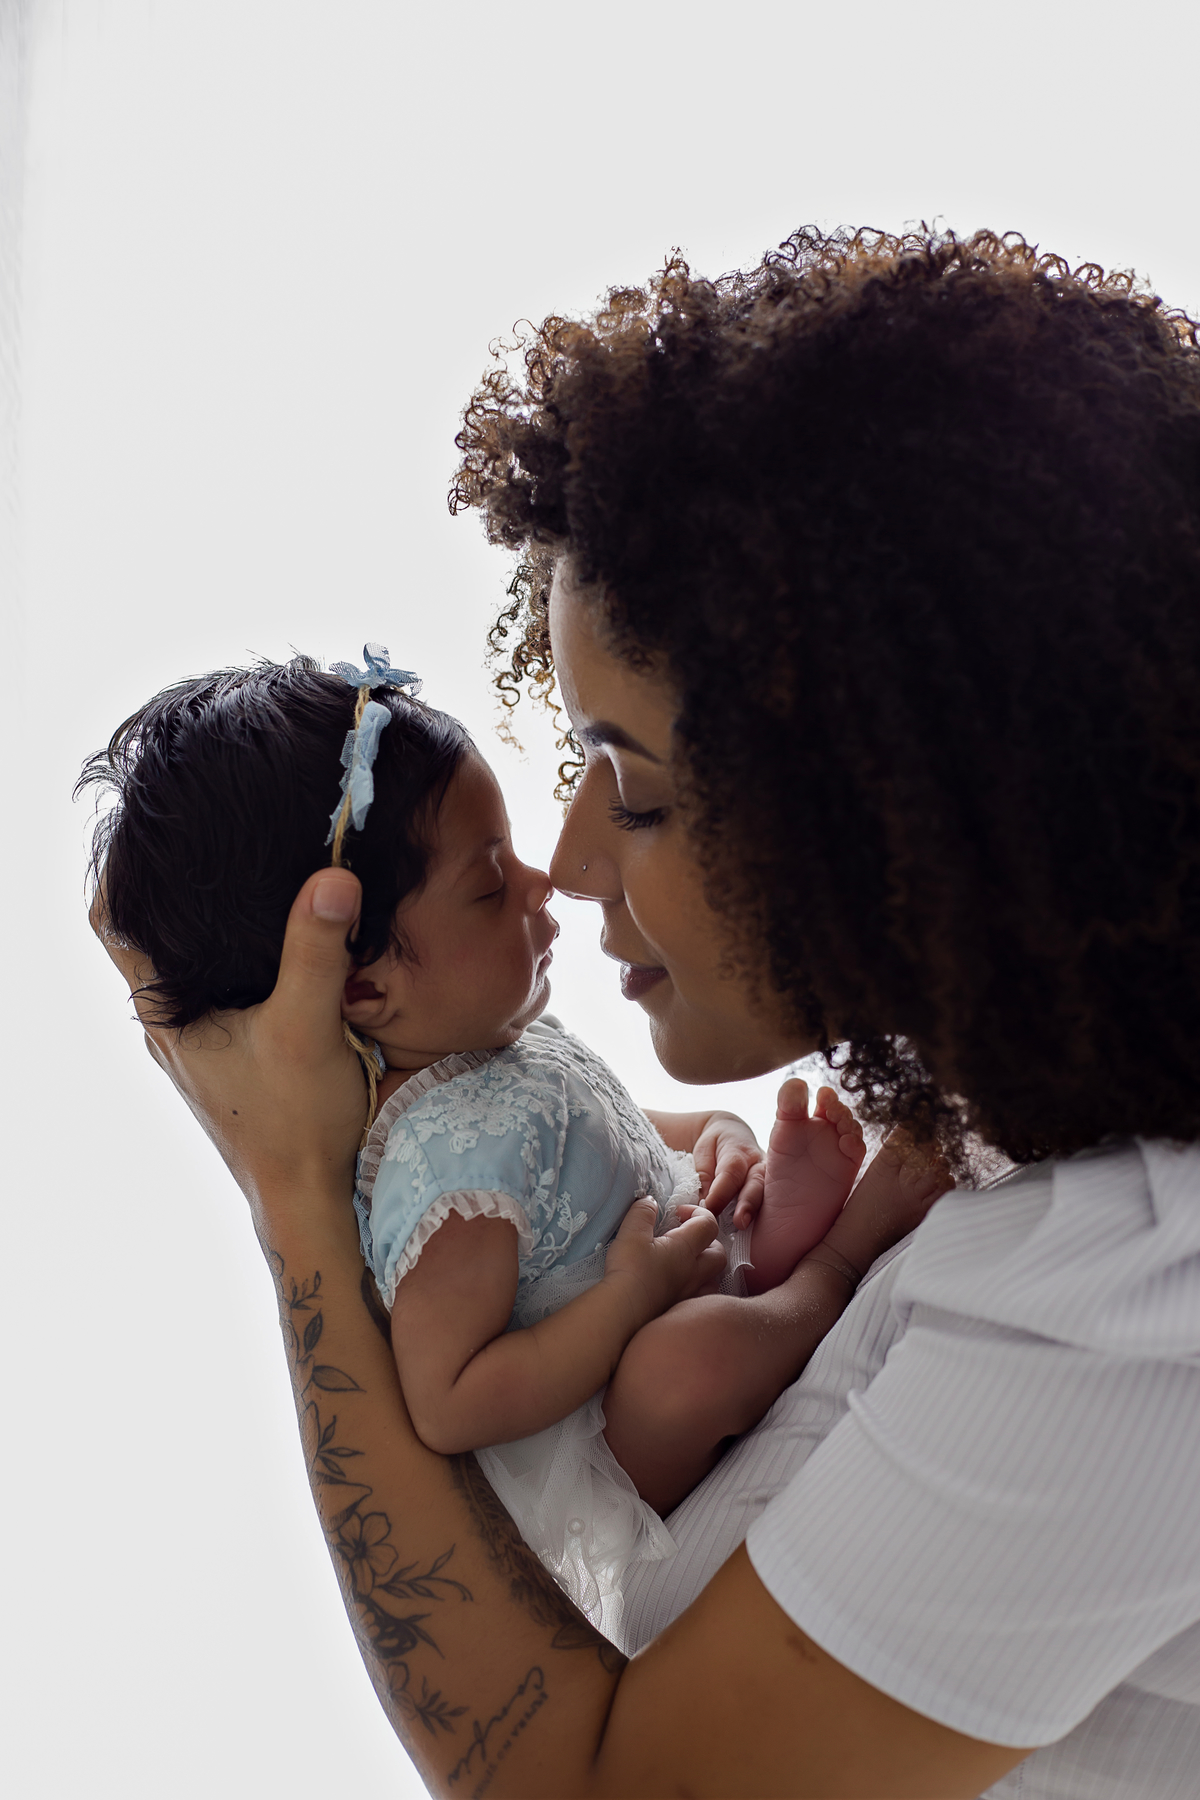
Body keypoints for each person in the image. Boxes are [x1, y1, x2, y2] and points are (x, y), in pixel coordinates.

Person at [92, 226, 1200, 1798]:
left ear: (899, 811)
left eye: (643, 790)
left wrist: (291, 1192)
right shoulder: (1021, 1151)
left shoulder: (1136, 1308)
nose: (565, 858)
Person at [81, 650, 944, 1635]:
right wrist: (628, 1300)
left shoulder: (513, 1046)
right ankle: (827, 1269)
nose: (544, 882)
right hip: (618, 1434)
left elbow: (633, 1129)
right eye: (491, 888)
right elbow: (452, 1399)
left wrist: (720, 1139)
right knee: (682, 1372)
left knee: (718, 1227)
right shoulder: (437, 1168)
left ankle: (769, 1247)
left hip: (676, 1272)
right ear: (364, 989)